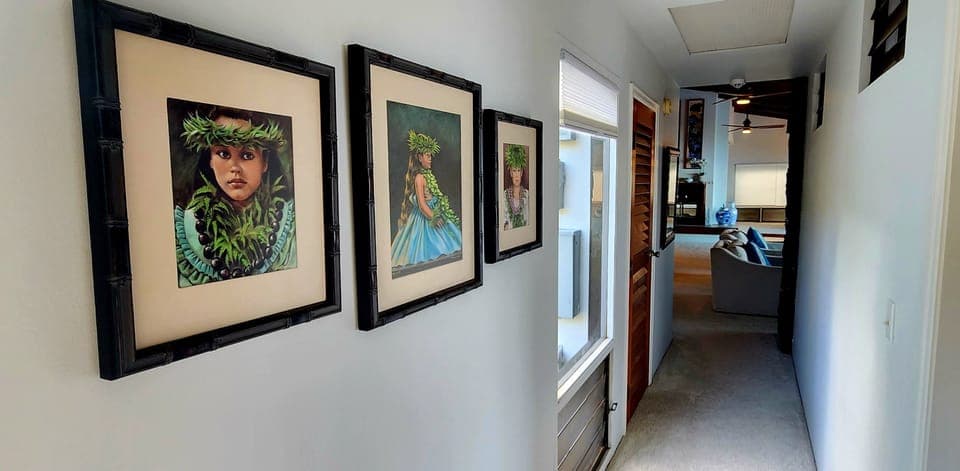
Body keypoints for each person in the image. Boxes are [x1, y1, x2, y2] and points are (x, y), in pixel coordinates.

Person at [172, 105, 296, 287]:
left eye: (247, 155)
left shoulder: (290, 224)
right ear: (211, 160)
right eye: (223, 154)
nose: (235, 167)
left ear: (265, 162)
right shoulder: (183, 229)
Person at [390, 130, 462, 274]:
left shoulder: (428, 175)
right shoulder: (419, 178)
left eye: (431, 156)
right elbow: (422, 205)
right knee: (426, 249)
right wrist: (433, 217)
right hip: (424, 218)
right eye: (428, 156)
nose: (430, 159)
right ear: (419, 157)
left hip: (433, 212)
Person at [503, 144, 529, 230]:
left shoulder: (527, 194)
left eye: (518, 171)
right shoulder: (504, 195)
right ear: (511, 173)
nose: (517, 175)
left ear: (521, 173)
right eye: (514, 171)